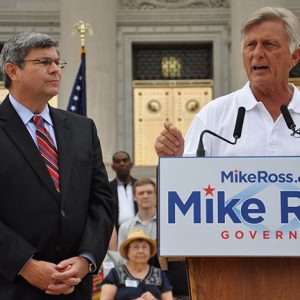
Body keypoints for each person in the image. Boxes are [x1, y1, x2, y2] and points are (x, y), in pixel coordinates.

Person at [0, 32, 114, 299]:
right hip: (11, 286)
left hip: (75, 286)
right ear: (13, 70)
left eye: (57, 63)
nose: (55, 70)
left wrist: (86, 259)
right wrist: (25, 265)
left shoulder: (82, 128)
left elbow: (101, 202)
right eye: (43, 62)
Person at [155, 6, 300, 158]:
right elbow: (190, 178)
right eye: (250, 45)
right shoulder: (213, 115)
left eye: (269, 44)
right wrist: (175, 160)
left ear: (294, 56)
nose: (257, 53)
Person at [100, 229, 173, 300]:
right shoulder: (115, 274)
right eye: (136, 247)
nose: (140, 251)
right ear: (127, 251)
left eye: (144, 247)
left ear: (150, 251)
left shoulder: (159, 274)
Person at [117, 178, 157, 247]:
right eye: (141, 193)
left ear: (156, 195)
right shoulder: (125, 228)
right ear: (134, 197)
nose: (145, 196)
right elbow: (121, 257)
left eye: (149, 192)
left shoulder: (165, 225)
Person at [110, 151, 138, 231]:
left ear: (131, 164)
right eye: (117, 161)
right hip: (116, 233)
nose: (122, 163)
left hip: (138, 231)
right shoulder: (108, 188)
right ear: (113, 167)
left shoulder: (139, 186)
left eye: (125, 160)